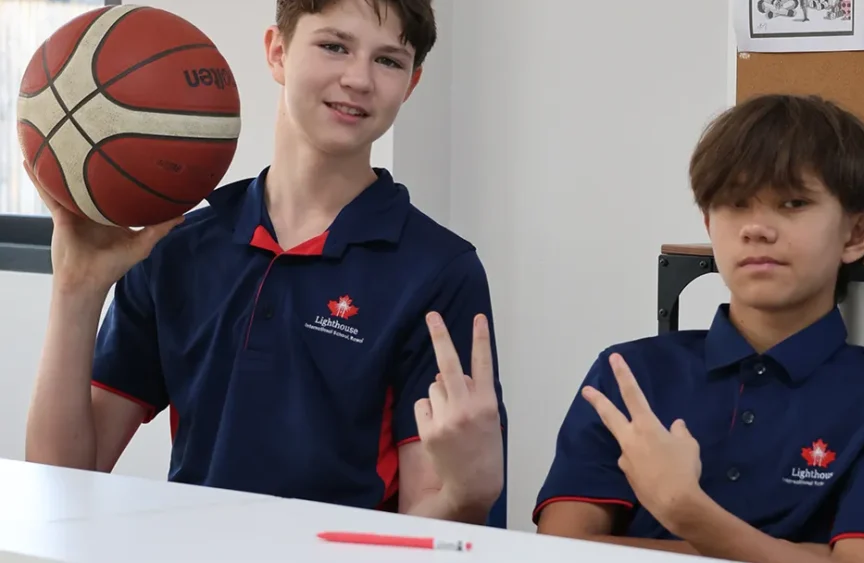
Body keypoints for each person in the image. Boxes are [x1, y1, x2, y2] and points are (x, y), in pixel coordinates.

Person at [24, 0, 509, 528]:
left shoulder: (438, 270)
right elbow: (64, 481)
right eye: (334, 46)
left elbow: (426, 526)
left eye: (388, 61)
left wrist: (465, 495)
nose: (359, 79)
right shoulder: (178, 246)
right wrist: (75, 290)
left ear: (411, 84)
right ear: (277, 51)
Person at [533, 94, 864, 563]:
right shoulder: (630, 375)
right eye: (734, 203)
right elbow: (560, 551)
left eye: (793, 203)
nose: (755, 228)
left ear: (857, 232)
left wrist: (686, 512)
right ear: (710, 223)